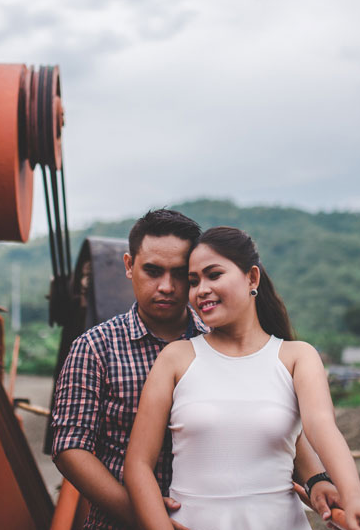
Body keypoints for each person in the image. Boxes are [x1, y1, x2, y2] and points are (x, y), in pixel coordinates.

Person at [51, 210, 340, 530]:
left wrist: (317, 479)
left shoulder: (224, 339)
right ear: (129, 266)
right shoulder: (95, 347)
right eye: (152, 271)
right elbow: (70, 448)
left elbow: (273, 424)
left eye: (180, 275)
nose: (167, 286)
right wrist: (144, 515)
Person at [125, 226, 360, 530]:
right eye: (193, 281)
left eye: (214, 275)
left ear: (252, 278)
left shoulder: (296, 357)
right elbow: (137, 465)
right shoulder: (176, 358)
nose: (201, 290)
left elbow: (321, 427)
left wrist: (353, 497)